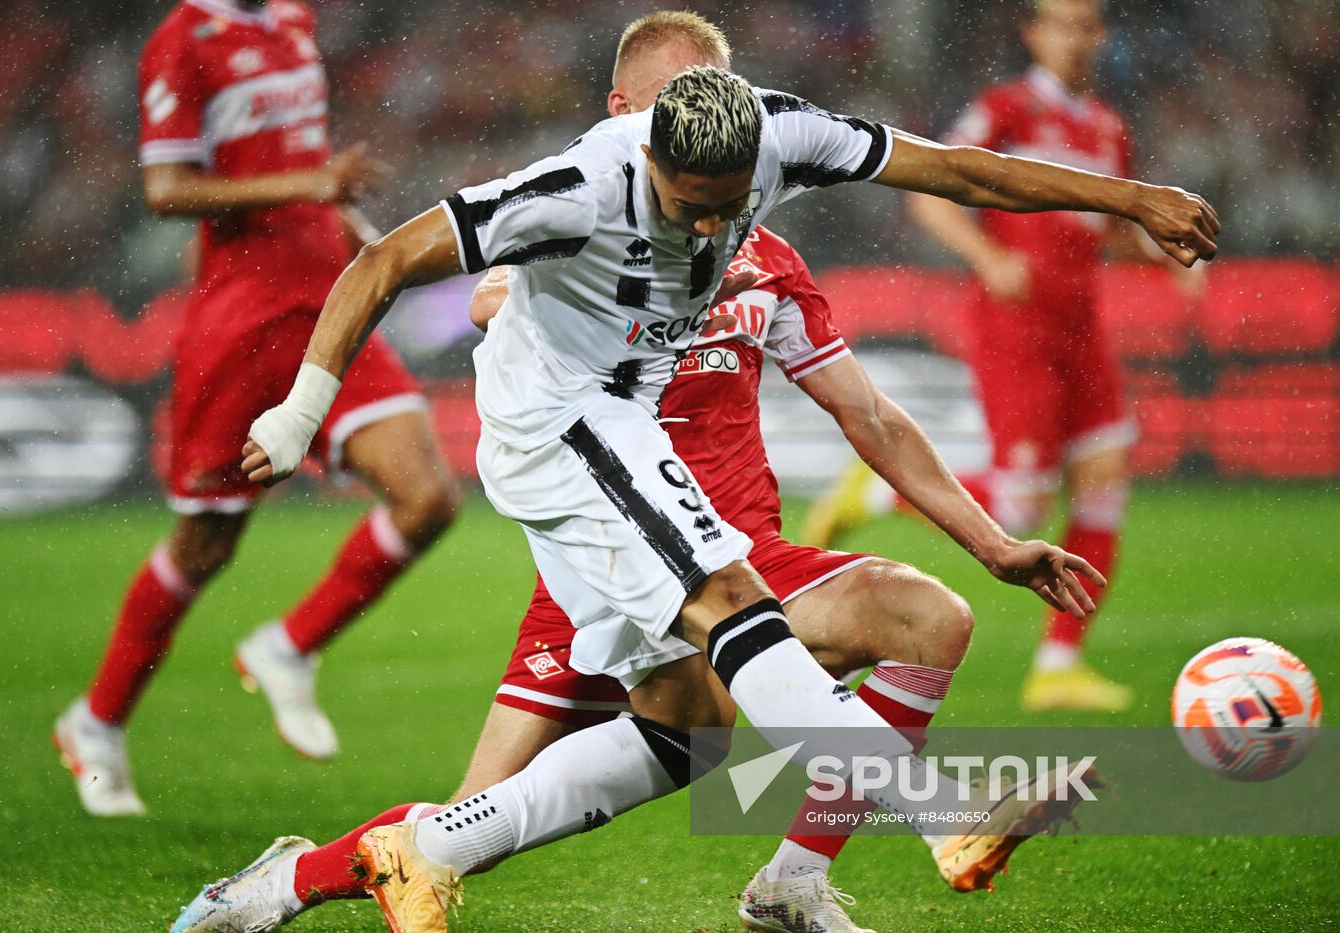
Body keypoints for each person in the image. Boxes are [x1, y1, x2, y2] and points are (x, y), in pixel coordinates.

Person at [184, 46, 1216, 933]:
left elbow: (959, 173)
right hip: (560, 423)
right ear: (646, 155)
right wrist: (301, 410)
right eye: (688, 206)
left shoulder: (781, 139)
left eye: (729, 208)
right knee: (732, 600)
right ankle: (943, 816)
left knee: (685, 731)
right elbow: (381, 260)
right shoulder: (575, 189)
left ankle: (322, 875)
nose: (707, 230)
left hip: (622, 443)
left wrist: (1128, 198)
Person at [52, 0, 460, 817]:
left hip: (326, 305)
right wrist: (308, 184)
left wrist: (357, 231)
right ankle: (96, 722)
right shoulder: (182, 39)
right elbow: (165, 189)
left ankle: (289, 645)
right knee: (205, 544)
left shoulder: (292, 21)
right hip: (239, 324)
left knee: (428, 498)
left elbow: (309, 169)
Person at [803, 0, 1202, 713]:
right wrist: (986, 254)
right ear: (1033, 32)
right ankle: (881, 492)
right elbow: (931, 195)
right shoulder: (1005, 110)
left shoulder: (1109, 128)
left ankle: (1057, 665)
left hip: (1083, 326)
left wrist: (1162, 252)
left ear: (1101, 35)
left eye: (1087, 26)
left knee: (1106, 477)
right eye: (1062, 24)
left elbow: (1104, 226)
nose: (1076, 38)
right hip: (1016, 326)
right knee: (1024, 503)